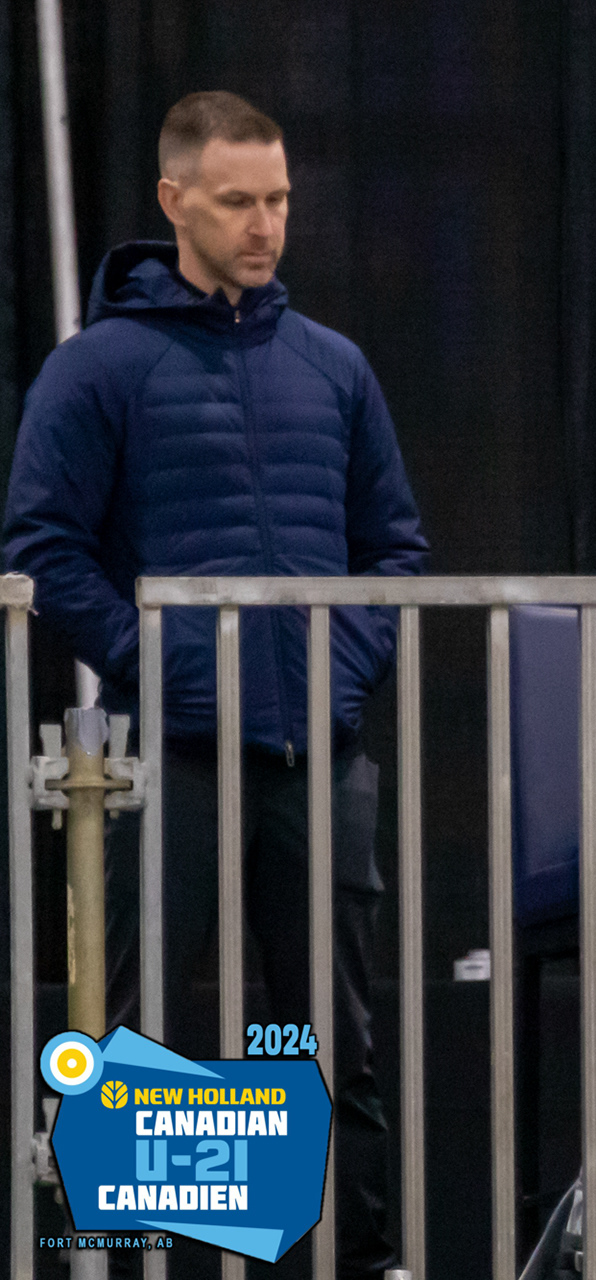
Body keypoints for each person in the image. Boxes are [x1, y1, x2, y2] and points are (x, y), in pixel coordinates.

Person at [3, 91, 425, 1278]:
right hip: (169, 754)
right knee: (132, 1033)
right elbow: (42, 547)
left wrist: (339, 667)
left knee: (328, 1038)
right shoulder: (99, 366)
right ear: (173, 200)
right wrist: (162, 661)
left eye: (279, 198)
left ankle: (353, 1258)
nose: (265, 223)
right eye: (238, 200)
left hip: (315, 753)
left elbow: (396, 550)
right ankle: (119, 1261)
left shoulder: (333, 365)